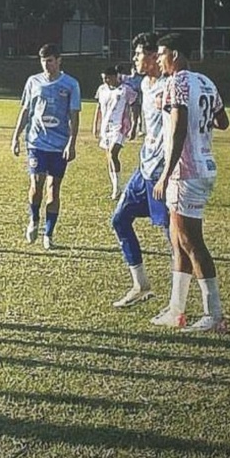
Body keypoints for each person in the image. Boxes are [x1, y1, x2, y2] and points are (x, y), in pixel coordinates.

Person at [151, 33, 229, 332]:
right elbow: (222, 121)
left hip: (187, 170)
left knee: (191, 242)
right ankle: (176, 309)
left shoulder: (177, 82)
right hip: (204, 164)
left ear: (175, 55)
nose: (159, 59)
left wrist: (166, 173)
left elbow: (178, 129)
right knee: (178, 241)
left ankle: (214, 313)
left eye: (162, 54)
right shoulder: (205, 81)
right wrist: (202, 120)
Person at [109, 33, 170, 308]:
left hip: (163, 173)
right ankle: (141, 285)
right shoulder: (145, 83)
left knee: (175, 238)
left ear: (154, 56)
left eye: (138, 54)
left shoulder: (171, 86)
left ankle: (192, 301)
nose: (134, 58)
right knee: (119, 220)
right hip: (144, 168)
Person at [11, 43, 81, 250]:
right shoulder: (33, 82)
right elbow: (26, 110)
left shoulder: (71, 84)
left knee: (54, 188)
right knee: (36, 183)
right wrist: (15, 137)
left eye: (50, 60)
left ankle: (48, 234)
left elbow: (74, 116)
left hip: (59, 145)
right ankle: (34, 219)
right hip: (36, 142)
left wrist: (71, 143)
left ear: (59, 60)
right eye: (43, 61)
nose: (46, 65)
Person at [92, 66, 136, 200]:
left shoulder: (125, 90)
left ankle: (117, 187)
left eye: (107, 78)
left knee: (113, 153)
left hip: (120, 126)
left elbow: (134, 106)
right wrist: (95, 125)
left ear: (115, 76)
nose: (105, 80)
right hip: (106, 127)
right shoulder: (102, 90)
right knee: (109, 157)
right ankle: (116, 188)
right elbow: (99, 107)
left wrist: (134, 125)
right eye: (103, 78)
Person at [120, 62, 145, 140]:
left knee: (136, 116)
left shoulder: (140, 79)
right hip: (127, 101)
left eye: (135, 70)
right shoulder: (126, 78)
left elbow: (140, 88)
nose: (134, 71)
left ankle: (138, 130)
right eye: (133, 69)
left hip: (136, 100)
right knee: (127, 116)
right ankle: (127, 130)